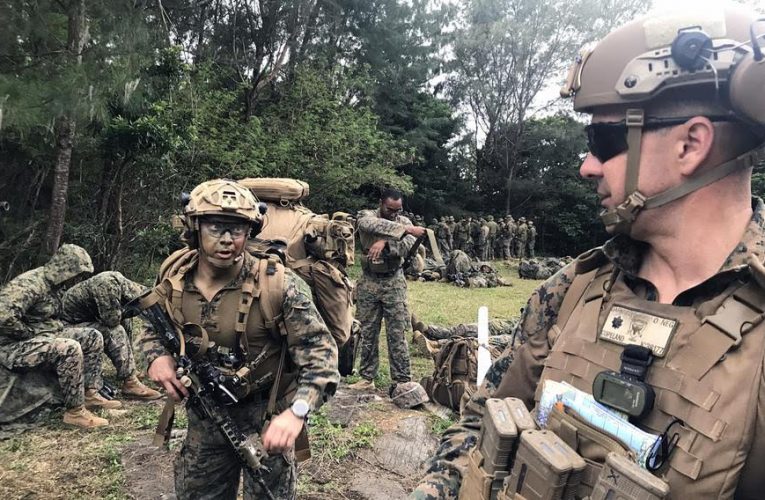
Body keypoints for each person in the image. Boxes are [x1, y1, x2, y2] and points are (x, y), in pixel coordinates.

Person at [412, 5, 765, 499]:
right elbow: (480, 422)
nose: (586, 166)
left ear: (692, 143)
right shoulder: (571, 291)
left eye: (603, 139)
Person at [142, 179, 339, 500]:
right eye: (215, 227)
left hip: (267, 420)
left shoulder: (279, 286)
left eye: (237, 229)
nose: (226, 239)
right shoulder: (175, 279)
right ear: (195, 227)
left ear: (251, 231)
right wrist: (156, 357)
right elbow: (154, 325)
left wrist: (296, 412)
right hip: (204, 422)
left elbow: (322, 358)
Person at [0, 244, 122, 429]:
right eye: (76, 273)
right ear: (65, 268)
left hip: (43, 336)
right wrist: (27, 333)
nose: (78, 278)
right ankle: (75, 412)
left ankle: (90, 394)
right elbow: (3, 315)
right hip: (13, 345)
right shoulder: (30, 283)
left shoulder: (55, 286)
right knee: (68, 348)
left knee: (92, 336)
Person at [351, 188, 426, 391]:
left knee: (397, 332)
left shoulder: (405, 223)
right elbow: (367, 225)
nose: (394, 213)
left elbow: (409, 247)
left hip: (394, 281)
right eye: (390, 209)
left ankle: (402, 380)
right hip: (368, 282)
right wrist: (404, 232)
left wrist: (386, 242)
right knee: (367, 331)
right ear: (381, 203)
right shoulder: (367, 215)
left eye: (397, 210)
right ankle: (367, 377)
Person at [62, 271, 161, 400]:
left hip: (83, 321)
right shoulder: (107, 284)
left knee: (125, 319)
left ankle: (128, 368)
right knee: (115, 330)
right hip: (67, 327)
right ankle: (130, 382)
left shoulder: (120, 283)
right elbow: (111, 320)